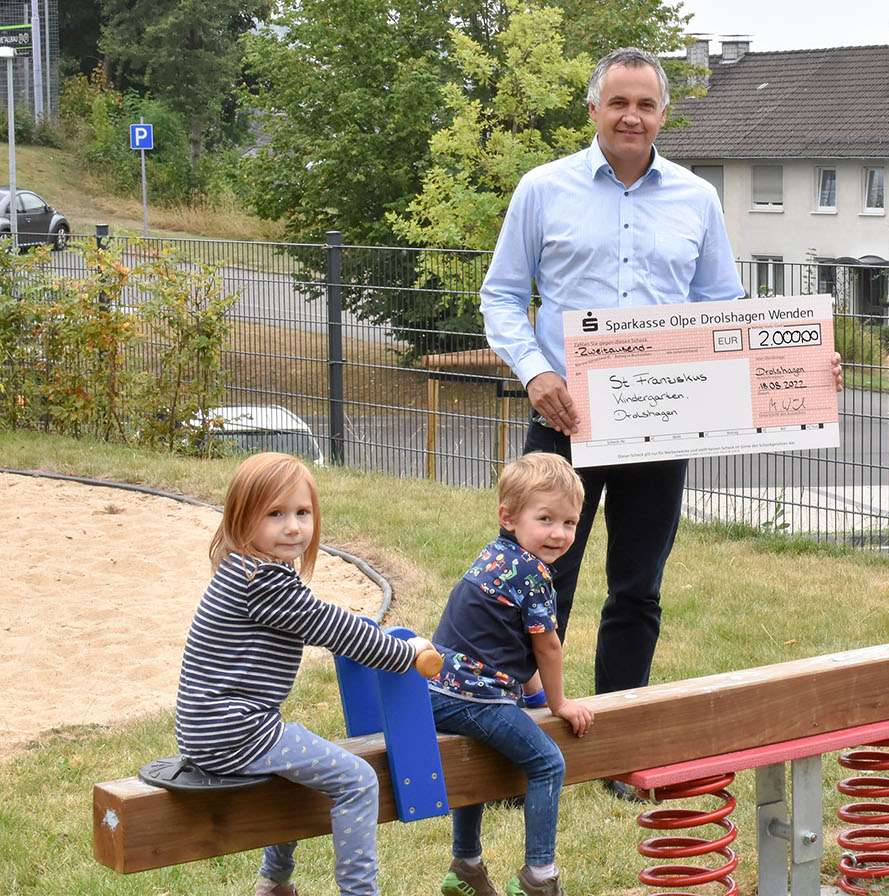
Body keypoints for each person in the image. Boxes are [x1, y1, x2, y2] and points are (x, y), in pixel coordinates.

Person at [479, 46, 840, 799]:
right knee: (538, 580)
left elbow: (722, 313)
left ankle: (615, 748)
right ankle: (518, 752)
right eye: (619, 103)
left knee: (637, 587)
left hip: (663, 423)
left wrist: (804, 370)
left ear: (664, 115)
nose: (632, 116)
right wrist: (536, 373)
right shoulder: (542, 191)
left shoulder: (696, 198)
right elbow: (503, 297)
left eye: (645, 105)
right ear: (593, 110)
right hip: (565, 420)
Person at [173, 453, 435, 896]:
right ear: (241, 519)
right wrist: (403, 653)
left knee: (298, 765)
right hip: (236, 730)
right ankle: (359, 892)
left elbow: (321, 618)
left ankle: (274, 884)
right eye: (275, 514)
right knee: (357, 781)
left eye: (302, 512)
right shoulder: (262, 579)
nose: (293, 527)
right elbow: (333, 629)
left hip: (212, 727)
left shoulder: (245, 567)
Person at [428, 452, 595, 896]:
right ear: (508, 517)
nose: (559, 534)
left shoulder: (497, 556)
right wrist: (558, 704)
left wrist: (535, 699)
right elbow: (546, 645)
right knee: (547, 764)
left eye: (570, 523)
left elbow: (506, 643)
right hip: (473, 695)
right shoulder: (533, 574)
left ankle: (465, 865)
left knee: (476, 763)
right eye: (545, 519)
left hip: (437, 688)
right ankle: (539, 877)